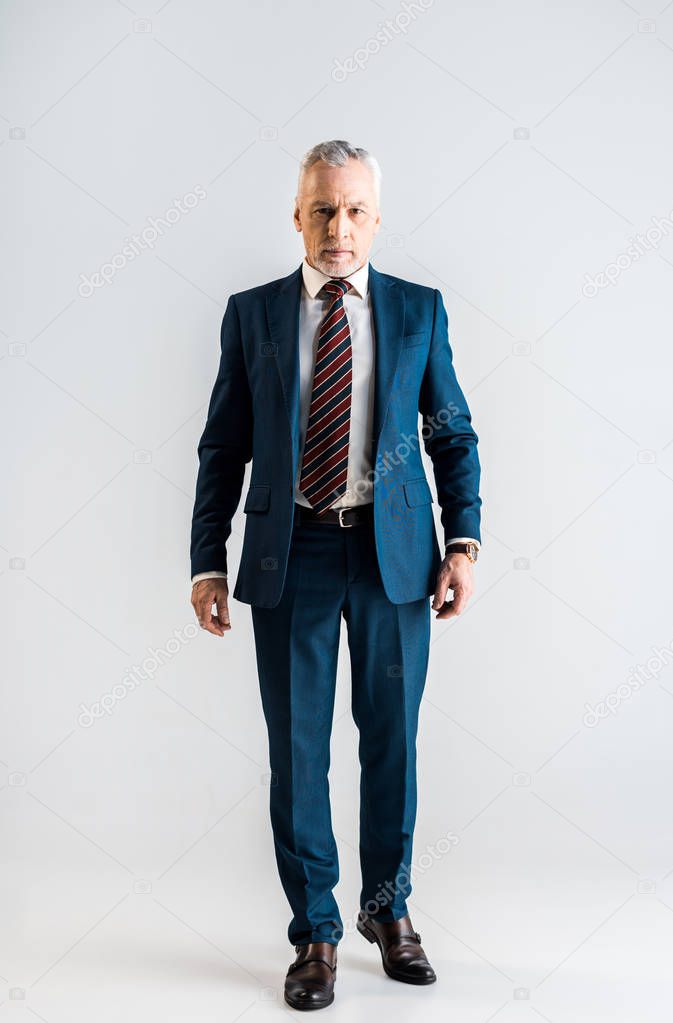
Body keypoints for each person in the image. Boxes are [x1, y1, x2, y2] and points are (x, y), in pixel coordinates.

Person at [190, 139, 482, 1010]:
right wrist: (207, 556)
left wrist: (462, 543)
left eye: (355, 209)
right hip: (295, 557)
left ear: (377, 219)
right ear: (296, 216)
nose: (338, 227)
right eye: (322, 209)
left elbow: (452, 434)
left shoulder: (417, 310)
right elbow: (223, 444)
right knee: (299, 754)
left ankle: (386, 914)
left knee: (391, 742)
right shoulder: (255, 314)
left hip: (393, 562)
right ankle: (314, 929)